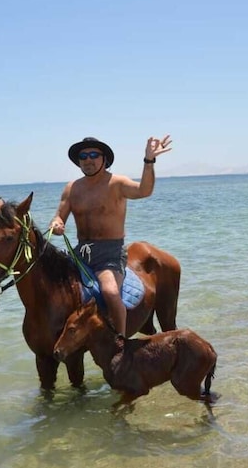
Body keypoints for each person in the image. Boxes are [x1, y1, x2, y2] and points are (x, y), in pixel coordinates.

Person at [50, 135, 172, 336]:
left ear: (104, 159)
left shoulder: (117, 183)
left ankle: (120, 343)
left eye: (93, 155)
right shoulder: (72, 188)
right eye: (83, 156)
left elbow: (144, 190)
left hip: (109, 255)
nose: (88, 160)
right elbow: (58, 217)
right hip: (81, 252)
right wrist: (56, 224)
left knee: (110, 292)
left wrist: (149, 161)